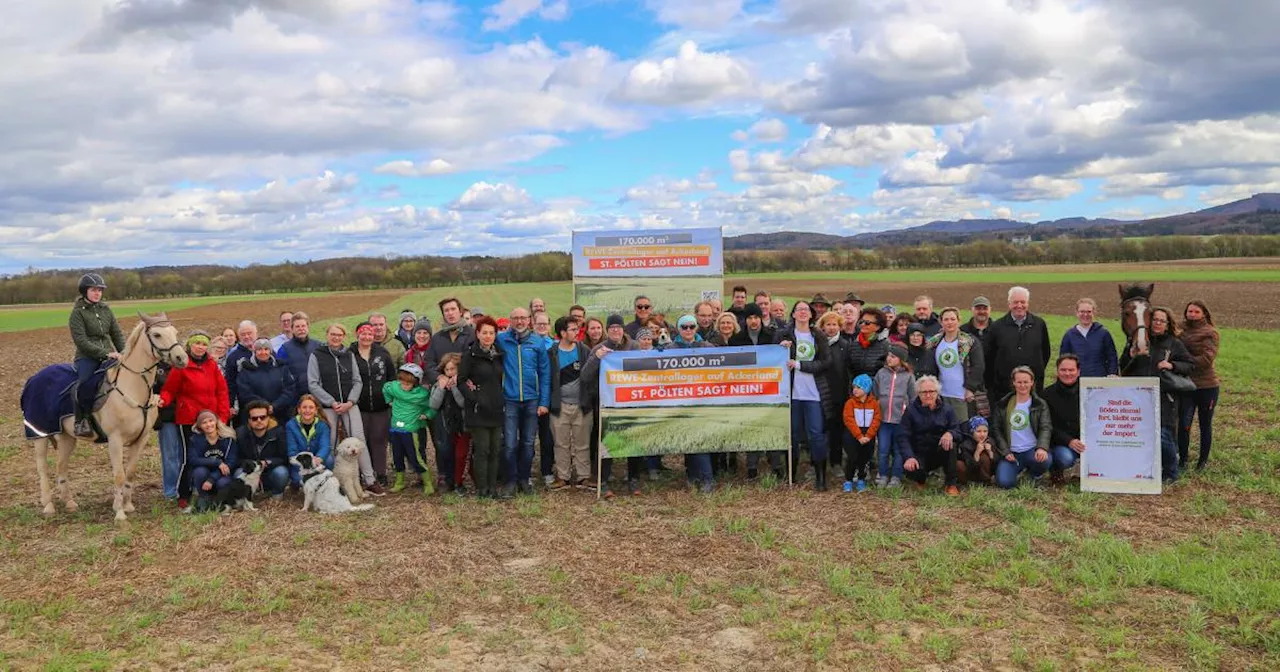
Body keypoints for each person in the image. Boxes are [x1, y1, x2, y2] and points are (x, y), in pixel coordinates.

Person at [308, 323, 384, 495]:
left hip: (350, 406)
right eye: (333, 334)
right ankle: (332, 483)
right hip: (328, 407)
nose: (336, 338)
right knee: (330, 442)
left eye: (340, 335)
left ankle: (369, 480)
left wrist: (350, 401)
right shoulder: (317, 355)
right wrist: (331, 401)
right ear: (327, 335)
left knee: (358, 441)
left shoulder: (348, 354)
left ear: (344, 336)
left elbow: (357, 381)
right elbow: (313, 383)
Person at [159, 331, 232, 510]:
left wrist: (222, 417)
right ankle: (183, 493)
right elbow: (170, 389)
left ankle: (209, 489)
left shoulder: (212, 366)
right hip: (188, 419)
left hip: (210, 419)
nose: (200, 347)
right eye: (197, 343)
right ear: (190, 345)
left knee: (211, 453)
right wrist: (163, 400)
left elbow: (222, 392)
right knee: (187, 457)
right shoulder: (181, 366)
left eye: (204, 344)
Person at [1120, 306, 1194, 483]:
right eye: (1155, 320)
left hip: (1164, 396)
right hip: (1139, 396)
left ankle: (1170, 472)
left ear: (1168, 325)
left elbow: (1189, 365)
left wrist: (1172, 366)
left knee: (1163, 435)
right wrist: (1130, 356)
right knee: (1141, 434)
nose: (1158, 324)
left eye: (1162, 321)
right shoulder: (1138, 341)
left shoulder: (1174, 344)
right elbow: (1123, 366)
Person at [495, 307, 551, 497]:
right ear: (510, 320)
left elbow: (544, 373)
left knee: (528, 443)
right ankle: (510, 480)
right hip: (509, 399)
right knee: (510, 443)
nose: (519, 321)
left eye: (523, 318)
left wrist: (543, 402)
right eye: (515, 318)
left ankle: (524, 479)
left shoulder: (537, 342)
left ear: (529, 320)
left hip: (532, 400)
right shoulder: (501, 340)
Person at [777, 301, 832, 490]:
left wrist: (800, 365)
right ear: (793, 314)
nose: (802, 312)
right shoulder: (783, 335)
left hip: (814, 394)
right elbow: (773, 360)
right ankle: (791, 476)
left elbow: (826, 362)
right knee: (792, 435)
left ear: (811, 315)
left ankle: (821, 477)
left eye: (806, 310)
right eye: (798, 309)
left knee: (816, 435)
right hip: (791, 393)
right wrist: (780, 349)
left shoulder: (818, 336)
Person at [423, 298, 474, 487]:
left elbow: (476, 361)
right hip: (442, 398)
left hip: (464, 397)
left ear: (460, 311)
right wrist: (439, 377)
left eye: (453, 309)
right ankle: (445, 475)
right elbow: (428, 362)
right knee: (442, 441)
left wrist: (460, 376)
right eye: (446, 310)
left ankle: (465, 475)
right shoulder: (437, 338)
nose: (450, 313)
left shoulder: (471, 335)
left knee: (464, 440)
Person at [68, 273, 125, 440]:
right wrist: (105, 353)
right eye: (94, 290)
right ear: (85, 291)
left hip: (110, 356)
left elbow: (117, 334)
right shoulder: (77, 313)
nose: (97, 293)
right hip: (87, 357)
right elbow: (81, 341)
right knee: (84, 385)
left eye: (100, 290)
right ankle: (82, 421)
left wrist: (124, 352)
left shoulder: (106, 310)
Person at [459, 317, 505, 499]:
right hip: (478, 410)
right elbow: (461, 381)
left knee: (495, 450)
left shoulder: (499, 354)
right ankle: (482, 489)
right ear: (477, 334)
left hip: (496, 408)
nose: (487, 336)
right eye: (484, 332)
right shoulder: (470, 356)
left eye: (491, 333)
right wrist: (474, 398)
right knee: (482, 450)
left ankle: (493, 487)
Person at [548, 317, 593, 491]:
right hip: (560, 406)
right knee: (561, 443)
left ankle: (583, 476)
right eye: (573, 329)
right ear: (562, 333)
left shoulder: (584, 350)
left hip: (582, 405)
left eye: (577, 329)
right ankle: (563, 477)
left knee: (583, 442)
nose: (577, 332)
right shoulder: (551, 353)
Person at [897, 376, 962, 496]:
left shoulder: (947, 410)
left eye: (931, 391)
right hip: (919, 452)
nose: (928, 395)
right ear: (918, 394)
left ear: (937, 392)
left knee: (951, 444)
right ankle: (920, 481)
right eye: (924, 392)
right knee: (911, 468)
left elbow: (958, 430)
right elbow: (902, 436)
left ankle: (951, 484)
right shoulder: (910, 411)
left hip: (939, 451)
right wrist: (909, 456)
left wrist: (950, 433)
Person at [984, 286, 1051, 401]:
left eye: (1023, 302)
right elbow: (989, 357)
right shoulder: (997, 327)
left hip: (1033, 388)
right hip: (1003, 389)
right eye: (1015, 302)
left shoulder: (1039, 324)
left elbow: (1045, 353)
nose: (1019, 305)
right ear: (1009, 304)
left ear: (1028, 303)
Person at [992, 367, 1053, 489]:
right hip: (1012, 452)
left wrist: (1041, 448)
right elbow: (996, 429)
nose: (1022, 385)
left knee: (1044, 460)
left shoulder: (1040, 404)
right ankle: (1016, 470)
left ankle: (1034, 474)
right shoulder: (1003, 404)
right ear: (1013, 383)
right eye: (1019, 382)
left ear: (1032, 382)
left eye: (1026, 382)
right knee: (1005, 483)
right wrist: (1005, 451)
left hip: (1031, 450)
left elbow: (1045, 427)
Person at [352, 322, 395, 488]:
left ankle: (381, 472)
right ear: (357, 334)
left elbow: (391, 375)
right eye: (363, 334)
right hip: (359, 405)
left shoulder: (382, 352)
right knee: (362, 440)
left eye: (370, 334)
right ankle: (365, 473)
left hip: (380, 405)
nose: (367, 337)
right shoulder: (351, 354)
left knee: (379, 438)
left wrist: (390, 395)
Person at [382, 362, 435, 494]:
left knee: (415, 457)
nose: (404, 386)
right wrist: (388, 400)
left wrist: (427, 415)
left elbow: (432, 406)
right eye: (402, 382)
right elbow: (385, 387)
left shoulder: (422, 395)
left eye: (408, 384)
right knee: (397, 456)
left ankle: (427, 482)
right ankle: (399, 481)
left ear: (416, 383)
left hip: (411, 430)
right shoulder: (394, 387)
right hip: (395, 428)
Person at [1179, 300, 1219, 472]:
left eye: (1196, 312)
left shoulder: (1210, 332)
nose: (1192, 315)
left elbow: (1207, 359)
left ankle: (1202, 462)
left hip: (1207, 387)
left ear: (1204, 313)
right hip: (1186, 386)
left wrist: (1183, 363)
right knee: (1183, 424)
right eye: (1190, 311)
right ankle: (1183, 460)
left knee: (1205, 424)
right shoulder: (1180, 329)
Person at [926, 307, 985, 423]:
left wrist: (970, 388)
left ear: (959, 321)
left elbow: (978, 366)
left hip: (962, 395)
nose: (949, 322)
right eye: (946, 320)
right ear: (941, 322)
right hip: (941, 394)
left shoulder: (969, 342)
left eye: (953, 319)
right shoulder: (934, 343)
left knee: (962, 427)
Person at [874, 343, 915, 488]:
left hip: (900, 420)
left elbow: (912, 397)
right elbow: (876, 393)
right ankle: (883, 474)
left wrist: (908, 415)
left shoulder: (909, 376)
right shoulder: (881, 373)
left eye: (893, 356)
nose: (888, 358)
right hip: (884, 420)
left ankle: (896, 476)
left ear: (901, 359)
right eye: (888, 356)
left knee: (898, 450)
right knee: (883, 449)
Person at [430, 353, 471, 493]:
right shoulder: (439, 384)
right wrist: (441, 388)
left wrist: (454, 386)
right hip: (445, 423)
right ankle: (447, 479)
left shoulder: (464, 383)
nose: (450, 372)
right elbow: (433, 405)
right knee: (445, 451)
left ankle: (459, 481)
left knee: (460, 454)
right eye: (447, 370)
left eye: (453, 369)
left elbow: (462, 403)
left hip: (462, 424)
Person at [1042, 354, 1084, 485]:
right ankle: (1056, 468)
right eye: (1063, 370)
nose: (1067, 373)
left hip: (1084, 440)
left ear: (1078, 372)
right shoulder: (1047, 394)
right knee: (1065, 458)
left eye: (1071, 370)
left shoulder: (1089, 391)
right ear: (1057, 371)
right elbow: (1047, 426)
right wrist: (1069, 441)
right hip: (1061, 443)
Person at [236, 337, 298, 425]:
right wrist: (264, 406)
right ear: (254, 351)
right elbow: (245, 393)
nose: (263, 352)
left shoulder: (281, 367)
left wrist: (275, 405)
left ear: (270, 351)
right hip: (257, 416)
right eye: (259, 350)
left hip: (281, 414)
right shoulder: (246, 369)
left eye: (266, 349)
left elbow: (289, 389)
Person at [187, 409, 238, 511]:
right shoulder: (195, 440)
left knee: (222, 483)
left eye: (211, 421)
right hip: (204, 473)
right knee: (199, 472)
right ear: (199, 426)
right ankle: (204, 498)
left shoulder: (228, 439)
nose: (208, 424)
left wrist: (212, 479)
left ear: (216, 422)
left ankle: (220, 502)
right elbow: (192, 459)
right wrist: (217, 462)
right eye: (204, 422)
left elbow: (231, 462)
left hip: (222, 474)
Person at [818, 311, 851, 474]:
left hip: (840, 394)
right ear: (822, 327)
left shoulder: (845, 345)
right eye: (828, 324)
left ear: (840, 327)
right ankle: (817, 463)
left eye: (835, 324)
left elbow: (847, 371)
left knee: (837, 430)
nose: (831, 328)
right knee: (819, 430)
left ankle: (836, 462)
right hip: (820, 393)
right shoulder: (817, 344)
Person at [236, 400, 289, 498]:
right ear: (249, 420)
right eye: (254, 418)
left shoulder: (279, 432)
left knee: (281, 473)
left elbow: (284, 457)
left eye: (263, 417)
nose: (259, 420)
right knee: (238, 473)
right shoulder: (240, 434)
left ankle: (276, 493)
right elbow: (236, 459)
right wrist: (252, 464)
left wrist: (267, 462)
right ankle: (245, 497)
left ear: (268, 418)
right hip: (250, 470)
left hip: (270, 471)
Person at [1058, 298, 1118, 378]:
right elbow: (1063, 360)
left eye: (1089, 312)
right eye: (1082, 311)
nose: (1085, 315)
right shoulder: (1069, 335)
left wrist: (1112, 373)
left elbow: (1112, 357)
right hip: (1077, 381)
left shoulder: (1103, 334)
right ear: (1077, 313)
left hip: (1099, 380)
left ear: (1094, 312)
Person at [841, 374, 881, 493]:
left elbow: (876, 419)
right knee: (852, 457)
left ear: (866, 389)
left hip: (868, 435)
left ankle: (861, 479)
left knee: (865, 458)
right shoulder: (850, 403)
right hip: (853, 435)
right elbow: (849, 419)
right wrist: (858, 436)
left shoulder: (874, 403)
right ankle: (848, 479)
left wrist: (869, 435)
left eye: (859, 387)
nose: (855, 390)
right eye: (854, 387)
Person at [531, 310, 557, 486]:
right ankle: (527, 472)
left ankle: (547, 470)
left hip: (548, 397)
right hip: (530, 397)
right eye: (538, 323)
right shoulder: (527, 343)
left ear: (549, 326)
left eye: (544, 324)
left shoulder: (555, 346)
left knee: (547, 438)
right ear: (533, 325)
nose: (541, 326)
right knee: (528, 438)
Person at [285, 394, 332, 487]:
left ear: (316, 410)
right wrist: (304, 465)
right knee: (299, 482)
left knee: (329, 459)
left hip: (316, 461)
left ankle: (323, 481)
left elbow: (325, 446)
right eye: (304, 407)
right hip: (300, 463)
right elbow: (292, 450)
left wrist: (318, 458)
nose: (307, 410)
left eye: (311, 407)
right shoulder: (291, 425)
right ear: (299, 410)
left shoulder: (323, 425)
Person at [276, 311, 322, 396]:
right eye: (297, 326)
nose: (301, 329)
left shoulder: (319, 346)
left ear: (308, 327)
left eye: (303, 326)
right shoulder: (284, 349)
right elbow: (280, 375)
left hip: (318, 395)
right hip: (296, 396)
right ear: (292, 329)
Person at [223, 320, 258, 418]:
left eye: (249, 333)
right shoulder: (233, 356)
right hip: (244, 405)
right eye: (243, 334)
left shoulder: (266, 351)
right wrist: (230, 405)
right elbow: (230, 382)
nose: (246, 337)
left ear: (256, 333)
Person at [846, 306, 888, 381]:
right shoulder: (854, 345)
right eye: (861, 322)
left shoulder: (885, 345)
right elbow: (849, 370)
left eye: (867, 323)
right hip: (856, 388)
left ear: (877, 327)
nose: (863, 325)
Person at [957, 416, 995, 486]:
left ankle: (986, 481)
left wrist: (990, 452)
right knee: (958, 464)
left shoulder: (990, 441)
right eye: (978, 431)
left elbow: (996, 464)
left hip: (986, 474)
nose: (982, 434)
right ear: (972, 431)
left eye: (985, 431)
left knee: (984, 457)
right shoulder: (965, 445)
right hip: (971, 472)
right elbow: (971, 466)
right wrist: (977, 452)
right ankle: (967, 483)